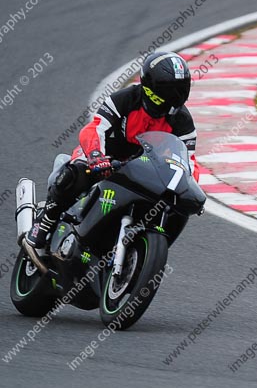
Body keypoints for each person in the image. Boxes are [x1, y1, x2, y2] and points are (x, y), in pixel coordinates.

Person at [25, 51, 199, 252]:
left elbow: (189, 163)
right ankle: (47, 218)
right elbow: (94, 128)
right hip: (104, 157)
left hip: (143, 170)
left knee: (176, 210)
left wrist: (186, 190)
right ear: (147, 87)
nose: (169, 100)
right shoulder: (125, 99)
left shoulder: (183, 123)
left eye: (176, 93)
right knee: (77, 173)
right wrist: (95, 156)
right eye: (164, 94)